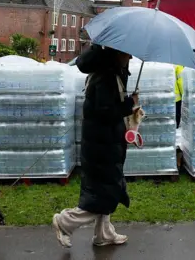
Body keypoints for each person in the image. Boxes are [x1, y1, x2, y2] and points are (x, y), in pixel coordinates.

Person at [52, 44, 138, 248]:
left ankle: (104, 234)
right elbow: (105, 112)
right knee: (102, 194)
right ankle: (64, 221)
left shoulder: (108, 73)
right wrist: (129, 105)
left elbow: (107, 107)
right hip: (101, 146)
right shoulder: (106, 77)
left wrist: (127, 101)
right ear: (117, 53)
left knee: (107, 189)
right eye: (128, 52)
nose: (131, 56)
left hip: (104, 143)